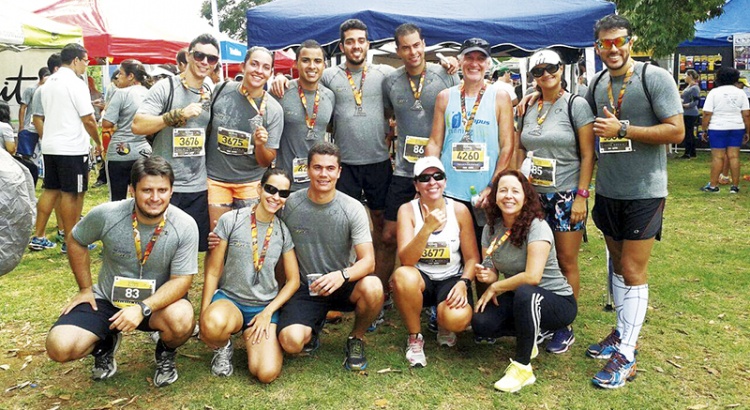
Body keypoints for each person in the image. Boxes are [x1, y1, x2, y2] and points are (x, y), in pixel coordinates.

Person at [271, 20, 395, 318]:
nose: (356, 46)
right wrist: (277, 77)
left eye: (361, 40)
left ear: (368, 44)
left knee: (382, 231)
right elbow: (304, 82)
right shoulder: (328, 76)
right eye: (350, 41)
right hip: (344, 164)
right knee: (334, 228)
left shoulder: (385, 75)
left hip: (378, 162)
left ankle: (378, 291)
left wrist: (447, 63)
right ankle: (318, 290)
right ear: (341, 47)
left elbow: (405, 86)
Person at [585, 14, 684, 389]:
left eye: (619, 42)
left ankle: (626, 353)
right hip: (609, 189)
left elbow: (677, 130)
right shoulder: (596, 83)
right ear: (598, 47)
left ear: (630, 41)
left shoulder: (653, 77)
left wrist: (624, 128)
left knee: (631, 269)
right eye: (605, 44)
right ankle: (622, 332)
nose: (613, 49)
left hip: (645, 191)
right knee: (616, 266)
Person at [45, 156, 199, 387]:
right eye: (147, 190)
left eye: (162, 190)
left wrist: (142, 308)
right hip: (109, 300)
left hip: (157, 305)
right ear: (131, 189)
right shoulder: (107, 214)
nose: (155, 198)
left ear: (171, 191)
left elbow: (181, 280)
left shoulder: (185, 225)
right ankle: (104, 343)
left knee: (182, 319)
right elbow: (76, 240)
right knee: (60, 347)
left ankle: (166, 351)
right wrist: (85, 288)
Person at [276, 141, 383, 371]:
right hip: (306, 287)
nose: (323, 174)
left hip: (342, 283)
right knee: (291, 342)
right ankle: (311, 328)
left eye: (330, 168)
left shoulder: (352, 208)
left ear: (339, 172)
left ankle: (357, 338)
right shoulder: (291, 205)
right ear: (308, 169)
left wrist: (342, 275)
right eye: (317, 167)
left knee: (373, 286)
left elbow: (368, 261)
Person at [517, 49, 595, 353]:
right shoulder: (529, 105)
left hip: (565, 194)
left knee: (565, 260)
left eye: (551, 68)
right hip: (534, 196)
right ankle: (539, 319)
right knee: (535, 260)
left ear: (562, 69)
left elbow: (588, 154)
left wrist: (581, 196)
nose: (546, 74)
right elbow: (522, 149)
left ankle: (564, 324)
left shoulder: (576, 105)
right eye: (538, 71)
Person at [471, 170, 577, 393]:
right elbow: (490, 269)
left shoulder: (537, 225)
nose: (508, 196)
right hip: (523, 298)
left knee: (526, 291)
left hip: (557, 301)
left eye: (515, 191)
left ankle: (522, 368)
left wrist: (496, 286)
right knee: (482, 324)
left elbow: (532, 277)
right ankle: (533, 332)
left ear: (525, 197)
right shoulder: (491, 228)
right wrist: (487, 276)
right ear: (495, 196)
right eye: (503, 190)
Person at [381, 24, 460, 318]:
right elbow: (390, 114)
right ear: (397, 50)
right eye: (405, 47)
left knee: (441, 229)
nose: (412, 52)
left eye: (416, 45)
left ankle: (435, 292)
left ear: (424, 44)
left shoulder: (445, 74)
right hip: (404, 170)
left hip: (437, 172)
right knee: (390, 234)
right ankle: (389, 295)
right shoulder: (391, 81)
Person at [200, 168, 300, 383]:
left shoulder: (282, 230)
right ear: (259, 188)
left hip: (264, 306)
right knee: (212, 324)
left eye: (283, 193)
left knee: (266, 373)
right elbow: (213, 271)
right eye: (271, 189)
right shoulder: (231, 220)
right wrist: (204, 311)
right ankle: (224, 346)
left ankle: (250, 336)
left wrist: (268, 312)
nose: (276, 197)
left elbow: (293, 281)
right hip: (231, 300)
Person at [133, 33, 220, 252]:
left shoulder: (209, 91)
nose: (204, 62)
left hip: (197, 185)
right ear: (189, 56)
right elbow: (138, 125)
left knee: (190, 249)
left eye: (211, 59)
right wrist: (177, 114)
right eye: (200, 55)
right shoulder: (166, 87)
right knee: (160, 247)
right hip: (164, 185)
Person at [426, 37, 515, 247]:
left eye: (480, 59)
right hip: (449, 190)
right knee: (452, 251)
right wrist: (429, 179)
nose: (474, 63)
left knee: (486, 257)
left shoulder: (500, 97)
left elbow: (507, 146)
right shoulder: (445, 97)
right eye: (469, 57)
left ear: (488, 64)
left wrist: (493, 186)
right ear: (460, 61)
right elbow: (435, 143)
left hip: (485, 193)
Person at [391, 156, 478, 367]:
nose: (432, 183)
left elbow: (472, 258)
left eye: (438, 176)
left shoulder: (459, 210)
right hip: (421, 278)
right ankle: (415, 337)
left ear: (445, 181)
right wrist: (426, 229)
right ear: (416, 185)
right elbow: (406, 259)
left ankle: (442, 322)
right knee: (402, 276)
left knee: (457, 319)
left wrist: (463, 283)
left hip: (450, 277)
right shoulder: (407, 210)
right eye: (425, 178)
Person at [29, 43, 102, 255]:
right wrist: (97, 141)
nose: (86, 65)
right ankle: (72, 240)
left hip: (51, 145)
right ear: (76, 60)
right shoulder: (76, 83)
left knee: (51, 190)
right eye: (86, 61)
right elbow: (88, 118)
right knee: (74, 193)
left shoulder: (48, 82)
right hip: (71, 147)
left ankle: (39, 235)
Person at [205, 46, 283, 230]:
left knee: (246, 241)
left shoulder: (273, 110)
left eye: (265, 67)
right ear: (243, 66)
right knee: (217, 239)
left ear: (270, 73)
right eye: (254, 64)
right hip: (216, 180)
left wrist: (260, 145)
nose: (258, 71)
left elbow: (266, 161)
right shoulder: (221, 90)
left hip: (250, 183)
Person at [274, 39, 335, 192]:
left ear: (324, 65)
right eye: (306, 60)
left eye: (317, 61)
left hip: (318, 183)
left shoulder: (330, 96)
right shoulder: (280, 92)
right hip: (286, 184)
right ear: (296, 63)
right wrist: (279, 76)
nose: (312, 66)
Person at [102, 59, 153, 201]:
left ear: (131, 76)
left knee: (117, 199)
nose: (118, 76)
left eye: (121, 73)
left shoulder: (121, 93)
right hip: (144, 150)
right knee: (143, 196)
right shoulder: (150, 93)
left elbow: (107, 123)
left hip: (120, 151)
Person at [699, 67, 750, 194]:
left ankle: (713, 185)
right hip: (737, 127)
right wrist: (748, 131)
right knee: (734, 156)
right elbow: (746, 114)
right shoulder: (740, 93)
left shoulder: (714, 92)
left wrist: (704, 129)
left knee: (718, 157)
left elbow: (707, 114)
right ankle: (735, 186)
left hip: (718, 128)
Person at [17, 66, 51, 185]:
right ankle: (27, 180)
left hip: (45, 127)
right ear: (41, 78)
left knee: (47, 155)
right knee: (27, 156)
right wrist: (21, 126)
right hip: (29, 128)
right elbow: (23, 108)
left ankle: (46, 179)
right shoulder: (31, 89)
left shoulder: (51, 90)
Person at [679, 69, 701, 159]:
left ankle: (688, 152)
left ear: (690, 76)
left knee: (688, 133)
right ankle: (692, 152)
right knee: (689, 132)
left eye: (686, 75)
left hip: (690, 113)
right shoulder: (689, 86)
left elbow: (695, 102)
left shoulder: (695, 88)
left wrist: (684, 105)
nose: (684, 77)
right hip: (686, 113)